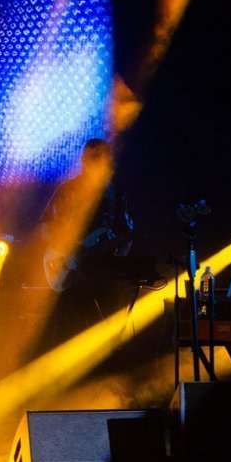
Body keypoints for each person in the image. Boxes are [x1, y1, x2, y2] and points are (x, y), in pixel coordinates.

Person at [38, 138, 135, 345]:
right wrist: (67, 251)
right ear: (83, 160)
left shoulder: (115, 193)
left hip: (103, 274)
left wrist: (117, 261)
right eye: (90, 158)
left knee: (107, 333)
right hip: (71, 274)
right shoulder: (67, 190)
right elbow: (45, 227)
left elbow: (127, 235)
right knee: (67, 333)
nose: (93, 162)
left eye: (99, 158)